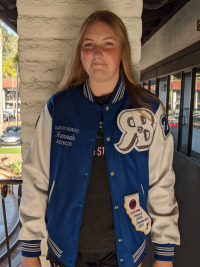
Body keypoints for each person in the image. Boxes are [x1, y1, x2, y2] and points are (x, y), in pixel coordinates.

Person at [19, 10, 180, 267]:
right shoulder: (57, 109)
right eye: (88, 44)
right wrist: (29, 252)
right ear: (79, 53)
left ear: (122, 51)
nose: (97, 53)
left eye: (108, 43)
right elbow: (36, 178)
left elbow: (161, 183)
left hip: (126, 253)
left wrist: (164, 254)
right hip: (64, 253)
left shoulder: (148, 111)